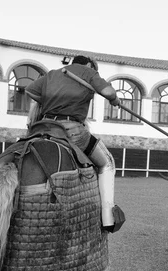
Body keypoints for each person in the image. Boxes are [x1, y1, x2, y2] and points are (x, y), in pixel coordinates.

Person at [25, 55, 121, 232]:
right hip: (72, 130)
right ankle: (108, 219)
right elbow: (108, 92)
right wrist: (114, 99)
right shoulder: (88, 72)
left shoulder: (53, 74)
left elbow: (30, 91)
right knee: (107, 163)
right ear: (89, 65)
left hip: (43, 126)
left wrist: (51, 100)